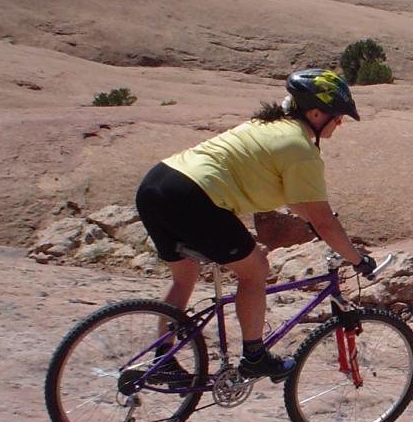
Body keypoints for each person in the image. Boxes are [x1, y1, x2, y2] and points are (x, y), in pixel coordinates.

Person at [135, 68, 376, 381]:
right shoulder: (301, 149)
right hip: (193, 197)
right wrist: (357, 259)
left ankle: (162, 360)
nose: (340, 122)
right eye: (338, 115)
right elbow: (323, 221)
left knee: (185, 276)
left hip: (157, 185)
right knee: (256, 269)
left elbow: (297, 204)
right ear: (316, 113)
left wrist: (317, 226)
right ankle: (254, 357)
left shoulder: (268, 125)